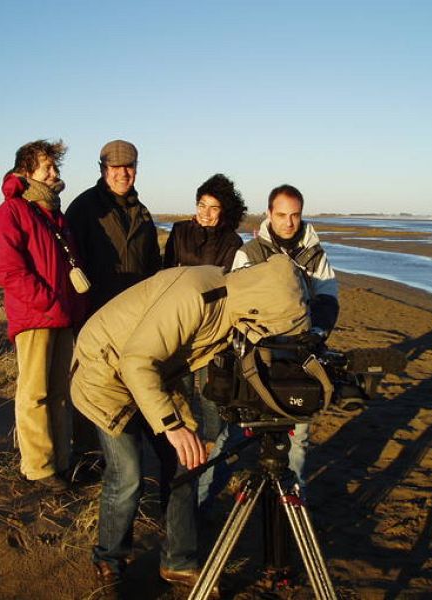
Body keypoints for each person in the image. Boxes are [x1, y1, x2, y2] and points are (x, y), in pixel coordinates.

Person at [70, 255, 310, 594]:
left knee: (188, 466)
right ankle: (109, 558)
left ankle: (177, 562)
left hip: (154, 375)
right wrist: (172, 425)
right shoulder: (197, 296)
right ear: (259, 309)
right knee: (127, 476)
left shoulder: (235, 302)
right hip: (105, 371)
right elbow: (136, 361)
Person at [198, 183, 339, 508]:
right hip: (256, 360)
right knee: (233, 436)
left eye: (294, 215)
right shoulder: (249, 254)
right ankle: (199, 504)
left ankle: (293, 502)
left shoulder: (315, 254)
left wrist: (314, 333)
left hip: (302, 360)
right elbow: (239, 305)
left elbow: (328, 296)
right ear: (269, 214)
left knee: (299, 439)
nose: (288, 222)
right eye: (281, 215)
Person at [0, 139, 89, 492]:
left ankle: (61, 460)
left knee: (61, 392)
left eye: (55, 167)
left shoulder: (54, 214)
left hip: (62, 316)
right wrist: (46, 302)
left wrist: (71, 308)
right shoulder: (12, 210)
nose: (54, 173)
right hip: (35, 317)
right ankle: (38, 466)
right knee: (34, 393)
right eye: (47, 167)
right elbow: (8, 269)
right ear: (26, 172)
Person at [163, 173, 247, 443]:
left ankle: (215, 446)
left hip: (213, 327)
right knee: (181, 390)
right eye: (202, 205)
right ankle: (186, 443)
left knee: (212, 395)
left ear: (224, 211)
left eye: (213, 207)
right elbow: (165, 275)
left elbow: (228, 285)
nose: (206, 213)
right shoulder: (180, 231)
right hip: (179, 324)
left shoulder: (233, 242)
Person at [64, 139, 161, 313]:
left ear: (136, 168)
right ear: (103, 169)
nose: (123, 173)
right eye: (115, 167)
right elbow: (69, 266)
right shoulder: (83, 208)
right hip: (95, 313)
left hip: (137, 311)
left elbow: (153, 265)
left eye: (129, 166)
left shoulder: (143, 214)